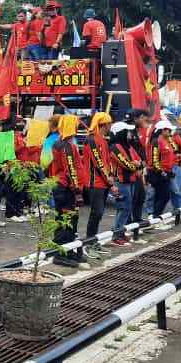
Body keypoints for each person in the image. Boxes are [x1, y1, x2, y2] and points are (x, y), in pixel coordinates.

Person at [50, 115, 89, 268]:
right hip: (65, 188)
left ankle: (68, 250)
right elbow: (70, 169)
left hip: (65, 187)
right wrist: (77, 190)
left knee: (70, 221)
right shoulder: (66, 145)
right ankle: (61, 254)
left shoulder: (63, 143)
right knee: (65, 222)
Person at [83, 112, 115, 259]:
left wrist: (111, 178)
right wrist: (109, 179)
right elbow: (98, 162)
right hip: (94, 182)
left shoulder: (103, 140)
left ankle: (92, 241)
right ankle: (89, 244)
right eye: (109, 123)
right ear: (104, 124)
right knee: (96, 213)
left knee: (99, 214)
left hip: (102, 182)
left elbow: (107, 161)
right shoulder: (92, 140)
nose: (111, 126)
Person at [110, 121, 143, 246]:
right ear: (120, 133)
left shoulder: (128, 146)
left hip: (131, 181)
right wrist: (136, 165)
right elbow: (126, 164)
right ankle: (116, 235)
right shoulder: (114, 147)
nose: (130, 134)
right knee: (123, 208)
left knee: (126, 208)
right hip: (121, 182)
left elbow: (139, 160)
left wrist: (137, 164)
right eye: (127, 131)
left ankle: (120, 232)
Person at [147, 117, 178, 231]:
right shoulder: (156, 141)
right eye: (168, 130)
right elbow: (154, 159)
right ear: (163, 130)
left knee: (162, 196)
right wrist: (162, 172)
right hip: (157, 173)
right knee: (163, 196)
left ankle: (156, 218)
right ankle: (155, 218)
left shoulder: (166, 140)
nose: (170, 132)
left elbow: (174, 151)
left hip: (165, 172)